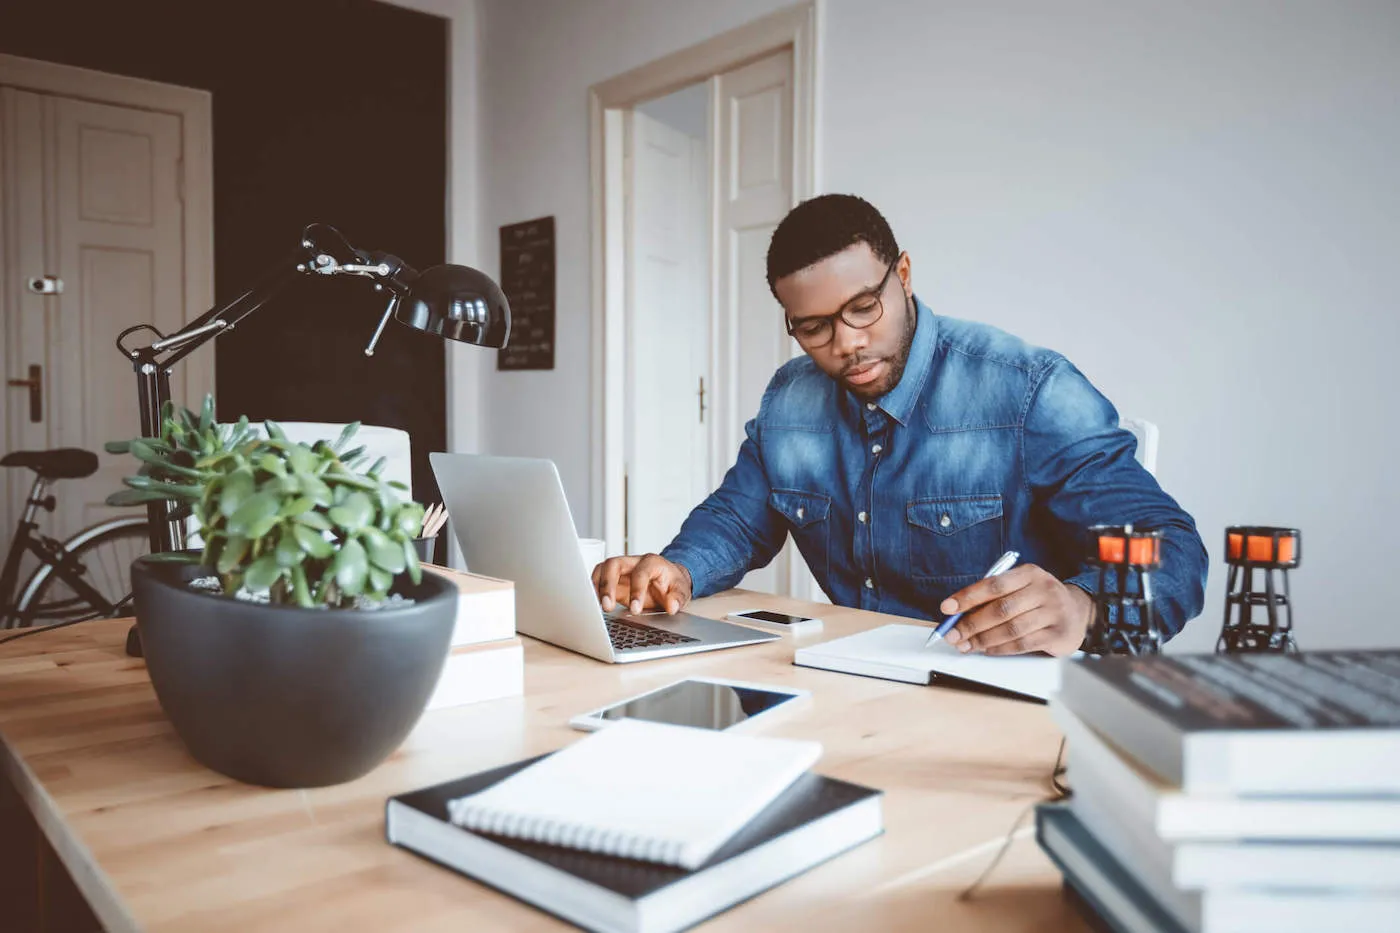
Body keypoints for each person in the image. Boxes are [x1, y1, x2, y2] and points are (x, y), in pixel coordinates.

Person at [592, 194, 1207, 656]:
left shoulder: (1027, 388)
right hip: (849, 680)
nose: (848, 344)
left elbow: (1174, 548)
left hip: (997, 693)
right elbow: (735, 519)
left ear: (904, 275)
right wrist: (678, 569)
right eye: (814, 328)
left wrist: (1084, 606)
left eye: (864, 307)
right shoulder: (789, 400)